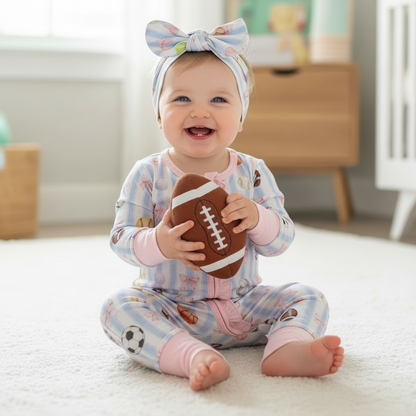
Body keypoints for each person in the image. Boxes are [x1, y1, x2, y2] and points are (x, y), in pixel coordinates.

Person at [100, 18, 344, 391]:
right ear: (159, 112)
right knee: (117, 308)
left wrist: (257, 217)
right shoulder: (148, 173)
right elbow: (121, 238)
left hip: (247, 306)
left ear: (241, 114)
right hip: (173, 309)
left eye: (219, 99)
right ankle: (190, 356)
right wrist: (159, 242)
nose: (200, 111)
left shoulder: (252, 172)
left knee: (308, 296)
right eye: (182, 98)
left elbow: (281, 240)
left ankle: (286, 348)